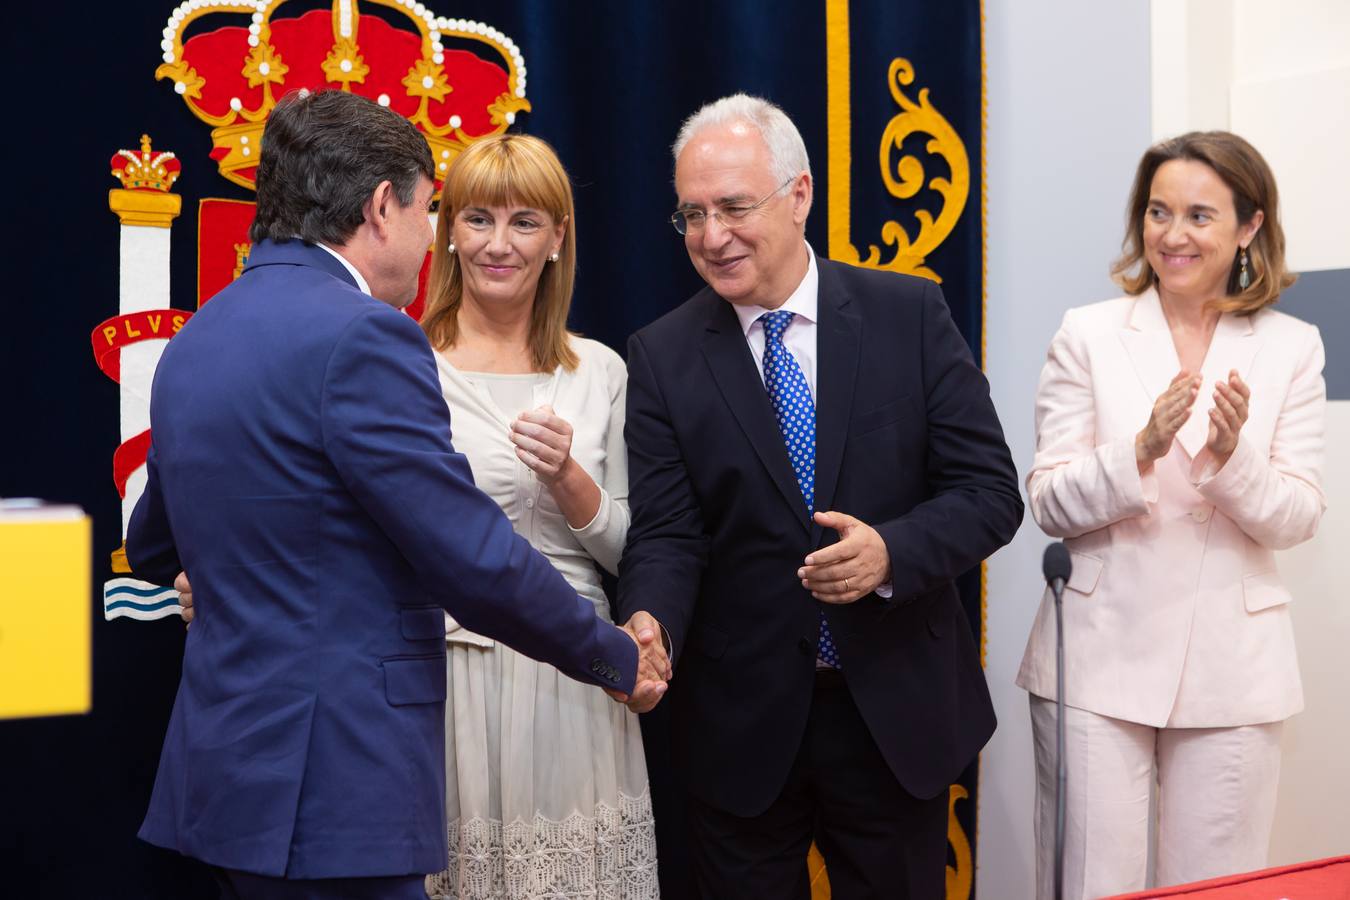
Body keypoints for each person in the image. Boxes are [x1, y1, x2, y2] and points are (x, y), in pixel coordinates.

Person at [126, 89, 668, 900]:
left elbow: (156, 545)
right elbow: (472, 558)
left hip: (230, 780)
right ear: (383, 206)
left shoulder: (200, 336)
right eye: (430, 212)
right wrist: (614, 655)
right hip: (336, 785)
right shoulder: (364, 335)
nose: (431, 242)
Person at [616, 93, 1023, 899]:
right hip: (740, 727)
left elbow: (988, 493)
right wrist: (648, 619)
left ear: (800, 194)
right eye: (691, 215)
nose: (711, 236)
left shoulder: (907, 313)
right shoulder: (661, 355)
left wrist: (890, 554)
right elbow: (668, 534)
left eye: (734, 207)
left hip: (892, 715)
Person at [1017, 131, 1326, 898]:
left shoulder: (1293, 347)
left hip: (1235, 669)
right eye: (1158, 212)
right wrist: (1143, 447)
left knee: (1218, 889)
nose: (1173, 235)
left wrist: (1230, 457)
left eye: (1199, 216)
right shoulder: (1087, 334)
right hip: (1096, 660)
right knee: (1091, 885)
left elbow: (1297, 516)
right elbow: (1048, 500)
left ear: (1250, 226)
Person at [415, 134, 659, 898]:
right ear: (448, 230)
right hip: (448, 674)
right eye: (478, 218)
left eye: (525, 222)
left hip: (572, 676)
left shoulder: (601, 372)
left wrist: (568, 478)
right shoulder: (406, 360)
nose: (498, 243)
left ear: (558, 238)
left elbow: (632, 551)